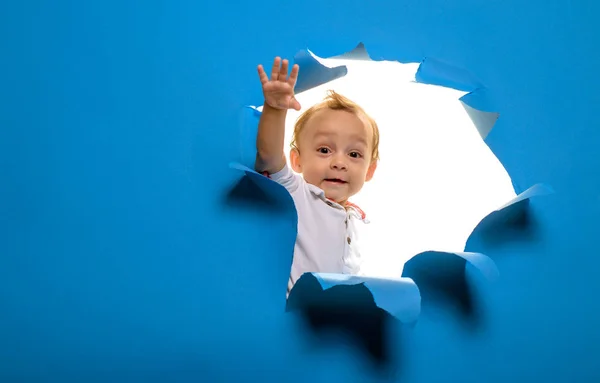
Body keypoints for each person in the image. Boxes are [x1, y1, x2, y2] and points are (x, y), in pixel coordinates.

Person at [255, 57, 380, 296]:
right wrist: (275, 108)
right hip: (295, 315)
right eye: (324, 150)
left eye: (354, 154)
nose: (339, 163)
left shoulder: (353, 218)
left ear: (370, 170)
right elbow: (268, 155)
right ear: (297, 160)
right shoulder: (297, 193)